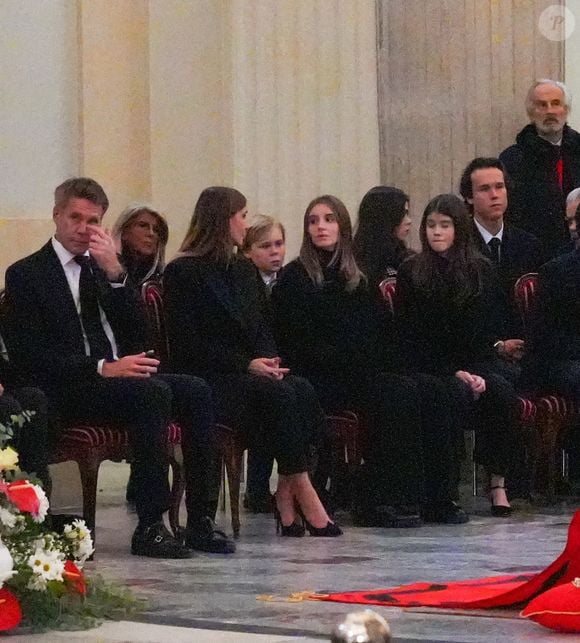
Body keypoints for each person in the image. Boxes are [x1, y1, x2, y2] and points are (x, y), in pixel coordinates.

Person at [4, 177, 235, 558]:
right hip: (70, 384)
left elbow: (140, 334)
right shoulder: (27, 274)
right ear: (56, 215)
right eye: (75, 217)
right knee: (152, 392)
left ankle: (200, 521)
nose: (83, 228)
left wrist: (115, 276)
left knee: (195, 389)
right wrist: (101, 368)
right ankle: (149, 525)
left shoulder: (104, 269)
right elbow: (31, 356)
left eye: (92, 220)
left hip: (116, 379)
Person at [273, 194, 468, 526]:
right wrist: (362, 362)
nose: (321, 227)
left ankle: (434, 496)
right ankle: (377, 500)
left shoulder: (356, 275)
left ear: (343, 226)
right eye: (313, 221)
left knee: (433, 389)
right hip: (320, 375)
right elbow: (299, 341)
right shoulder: (296, 277)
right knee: (396, 394)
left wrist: (386, 362)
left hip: (360, 370)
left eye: (329, 219)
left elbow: (381, 331)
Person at [163, 186, 341, 537]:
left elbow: (262, 326)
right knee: (279, 395)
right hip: (211, 376)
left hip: (250, 373)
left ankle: (286, 491)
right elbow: (188, 346)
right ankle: (302, 489)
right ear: (222, 220)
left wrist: (267, 359)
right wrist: (246, 364)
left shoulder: (242, 270)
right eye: (242, 216)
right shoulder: (183, 273)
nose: (245, 224)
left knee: (300, 387)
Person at [395, 194, 522, 516]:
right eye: (431, 225)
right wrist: (455, 372)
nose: (436, 232)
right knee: (451, 394)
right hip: (431, 364)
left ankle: (498, 483)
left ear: (458, 230)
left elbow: (484, 330)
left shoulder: (481, 270)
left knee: (502, 392)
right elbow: (412, 336)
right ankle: (445, 492)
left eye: (445, 226)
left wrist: (478, 371)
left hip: (475, 359)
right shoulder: (412, 271)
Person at [500, 79, 580, 260]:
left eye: (556, 103)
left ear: (566, 110)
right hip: (535, 256)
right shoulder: (512, 160)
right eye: (542, 105)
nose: (550, 111)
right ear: (531, 113)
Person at [239, 215, 286, 513]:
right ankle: (256, 488)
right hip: (253, 362)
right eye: (265, 246)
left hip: (283, 357)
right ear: (248, 252)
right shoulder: (244, 283)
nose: (275, 252)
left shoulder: (288, 280)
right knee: (267, 396)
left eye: (279, 244)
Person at [353, 186, 413, 287]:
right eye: (403, 214)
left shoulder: (409, 261)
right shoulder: (352, 266)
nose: (409, 221)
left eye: (407, 213)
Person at [112, 203, 169, 286]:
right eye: (143, 225)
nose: (151, 233)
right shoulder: (105, 269)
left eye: (156, 230)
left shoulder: (164, 278)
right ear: (124, 232)